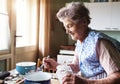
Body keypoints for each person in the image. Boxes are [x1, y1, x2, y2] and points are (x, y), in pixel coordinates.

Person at [43, 1, 120, 84]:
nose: (67, 31)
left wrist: (85, 82)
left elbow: (117, 77)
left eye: (69, 26)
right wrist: (56, 65)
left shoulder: (100, 43)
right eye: (65, 27)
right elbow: (76, 66)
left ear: (84, 22)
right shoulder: (80, 42)